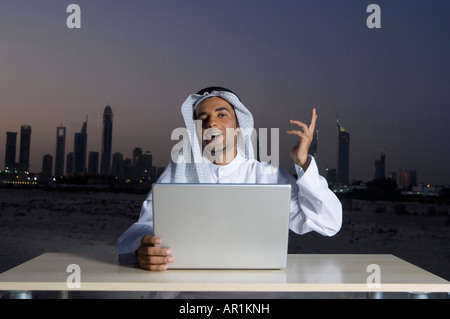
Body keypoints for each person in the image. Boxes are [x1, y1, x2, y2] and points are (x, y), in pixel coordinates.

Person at [118, 87, 342, 272]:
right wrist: (144, 247)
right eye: (202, 119)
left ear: (239, 127)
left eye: (221, 114)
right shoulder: (179, 173)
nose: (211, 123)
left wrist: (303, 163)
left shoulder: (267, 176)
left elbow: (329, 223)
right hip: (186, 290)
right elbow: (142, 228)